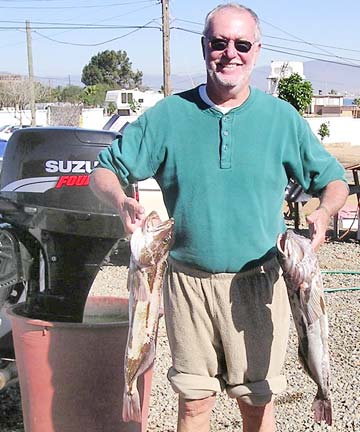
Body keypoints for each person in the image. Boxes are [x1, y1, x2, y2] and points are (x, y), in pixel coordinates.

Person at [90, 3, 349, 431]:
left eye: (242, 44)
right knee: (194, 404)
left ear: (257, 49)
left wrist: (324, 212)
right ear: (205, 46)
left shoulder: (281, 119)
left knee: (257, 403)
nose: (231, 53)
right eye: (219, 42)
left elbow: (334, 181)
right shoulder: (168, 117)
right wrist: (121, 201)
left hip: (259, 283)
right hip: (186, 283)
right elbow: (102, 170)